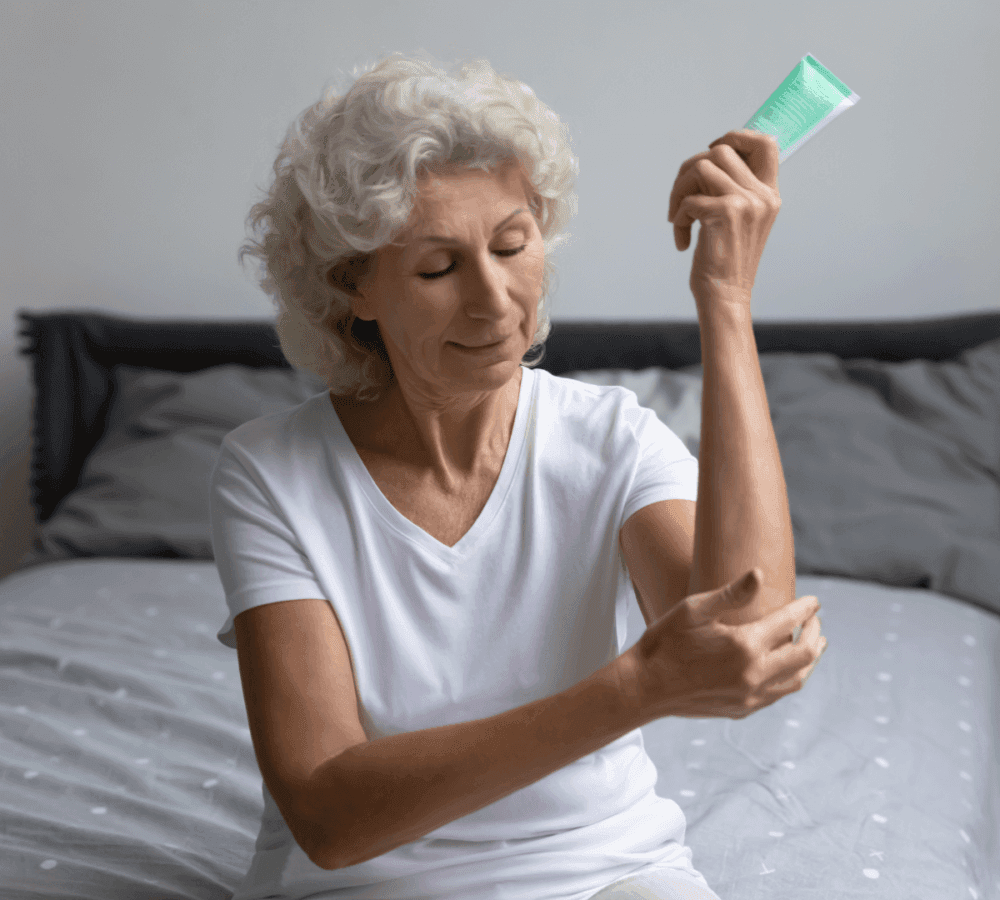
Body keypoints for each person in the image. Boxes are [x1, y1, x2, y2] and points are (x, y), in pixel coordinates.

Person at [213, 50, 823, 900]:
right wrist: (634, 687)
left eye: (512, 244)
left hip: (608, 872)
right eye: (437, 267)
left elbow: (749, 637)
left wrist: (725, 297)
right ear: (354, 287)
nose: (496, 300)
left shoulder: (612, 439)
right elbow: (330, 815)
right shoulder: (269, 474)